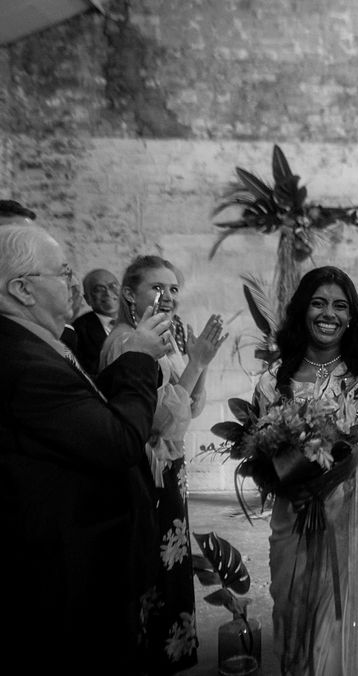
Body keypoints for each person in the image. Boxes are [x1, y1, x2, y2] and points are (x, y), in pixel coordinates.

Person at [0, 224, 172, 675]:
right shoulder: (20, 361)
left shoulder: (40, 342)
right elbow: (117, 441)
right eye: (63, 273)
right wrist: (137, 356)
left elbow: (91, 412)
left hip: (87, 562)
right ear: (21, 289)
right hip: (68, 573)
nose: (74, 284)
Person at [254, 265, 358, 675]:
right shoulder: (274, 382)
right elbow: (262, 452)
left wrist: (350, 459)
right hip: (296, 520)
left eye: (340, 306)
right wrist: (296, 475)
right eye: (319, 303)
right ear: (302, 311)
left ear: (351, 316)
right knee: (294, 612)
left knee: (349, 620)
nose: (329, 314)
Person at [100, 255, 228, 674]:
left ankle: (169, 654)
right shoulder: (126, 343)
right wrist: (196, 364)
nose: (168, 296)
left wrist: (199, 363)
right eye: (157, 287)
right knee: (152, 567)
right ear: (129, 295)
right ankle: (150, 658)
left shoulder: (163, 339)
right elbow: (156, 421)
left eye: (173, 288)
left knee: (171, 564)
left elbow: (190, 405)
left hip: (171, 468)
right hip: (147, 471)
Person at [73, 268, 121, 376]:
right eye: (99, 289)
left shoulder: (139, 318)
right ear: (88, 299)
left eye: (112, 286)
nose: (108, 293)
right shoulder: (79, 331)